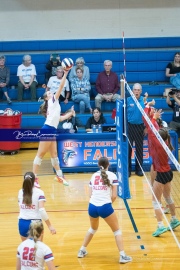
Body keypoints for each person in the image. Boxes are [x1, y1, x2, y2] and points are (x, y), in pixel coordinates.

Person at [77, 157, 132, 264]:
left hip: (92, 206)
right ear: (108, 164)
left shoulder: (93, 176)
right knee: (117, 231)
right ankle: (122, 256)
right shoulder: (112, 175)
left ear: (98, 165)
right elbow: (115, 195)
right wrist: (108, 205)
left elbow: (90, 195)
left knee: (93, 229)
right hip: (105, 206)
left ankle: (82, 250)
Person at [33, 68, 74, 187]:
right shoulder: (52, 100)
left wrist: (70, 114)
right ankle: (34, 178)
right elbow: (61, 88)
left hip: (52, 129)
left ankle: (59, 176)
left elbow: (60, 119)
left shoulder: (54, 105)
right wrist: (65, 74)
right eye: (49, 93)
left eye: (51, 92)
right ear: (46, 98)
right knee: (40, 154)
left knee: (54, 154)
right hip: (47, 130)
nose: (51, 93)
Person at [150, 128, 180, 237]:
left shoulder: (159, 147)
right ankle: (174, 219)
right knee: (167, 197)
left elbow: (152, 134)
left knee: (155, 201)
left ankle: (160, 225)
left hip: (161, 174)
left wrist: (152, 118)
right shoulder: (167, 143)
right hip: (168, 172)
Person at [18, 172, 56, 241]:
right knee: (38, 249)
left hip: (22, 223)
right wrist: (50, 226)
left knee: (26, 248)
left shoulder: (20, 192)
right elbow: (42, 210)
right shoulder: (39, 192)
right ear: (35, 181)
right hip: (36, 223)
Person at [127, 83, 145, 177]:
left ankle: (139, 170)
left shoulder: (144, 101)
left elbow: (147, 116)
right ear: (132, 91)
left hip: (140, 127)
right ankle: (128, 170)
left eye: (138, 90)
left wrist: (145, 127)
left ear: (141, 91)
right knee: (128, 150)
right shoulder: (128, 100)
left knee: (139, 150)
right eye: (135, 90)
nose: (136, 91)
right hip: (130, 127)